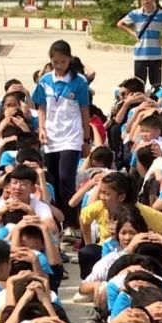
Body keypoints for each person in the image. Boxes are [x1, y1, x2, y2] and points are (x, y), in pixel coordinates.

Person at [31, 40, 91, 230]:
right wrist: (41, 128)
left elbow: (84, 110)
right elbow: (41, 106)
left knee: (66, 179)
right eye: (56, 62)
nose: (59, 66)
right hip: (51, 136)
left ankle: (72, 223)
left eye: (63, 62)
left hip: (72, 136)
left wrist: (86, 139)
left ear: (69, 59)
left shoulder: (79, 81)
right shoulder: (45, 80)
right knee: (54, 180)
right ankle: (58, 221)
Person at [116, 0, 162, 90]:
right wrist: (131, 33)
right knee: (138, 86)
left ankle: (155, 104)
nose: (146, 0)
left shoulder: (161, 14)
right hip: (140, 55)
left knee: (157, 86)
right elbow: (120, 24)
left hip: (155, 56)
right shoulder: (135, 14)